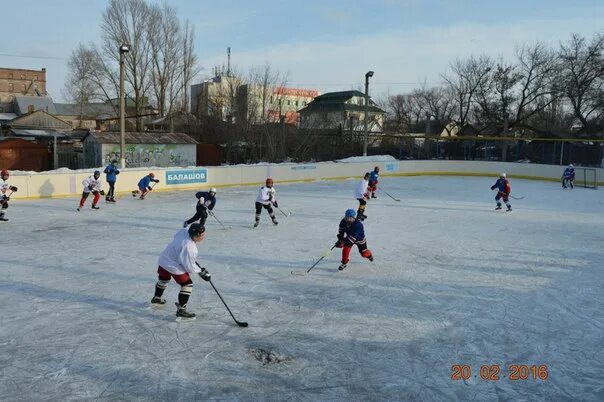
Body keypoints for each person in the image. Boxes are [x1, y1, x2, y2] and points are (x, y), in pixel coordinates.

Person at [151, 223, 211, 319]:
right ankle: (181, 310)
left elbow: (186, 225)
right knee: (187, 285)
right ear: (198, 235)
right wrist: (202, 273)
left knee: (164, 279)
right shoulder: (190, 248)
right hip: (173, 265)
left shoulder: (184, 231)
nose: (204, 236)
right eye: (203, 234)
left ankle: (156, 298)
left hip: (164, 259)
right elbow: (189, 267)